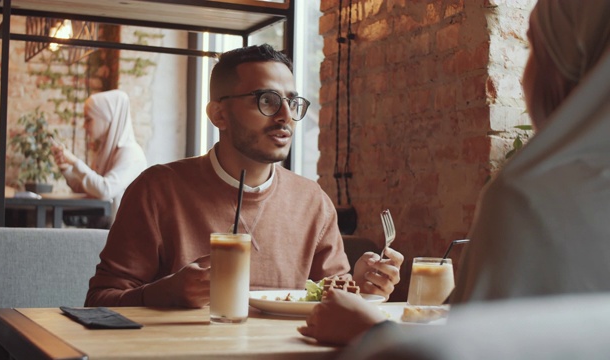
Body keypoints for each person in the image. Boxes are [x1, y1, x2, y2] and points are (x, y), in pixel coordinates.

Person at [298, 0, 610, 347]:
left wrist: (372, 332)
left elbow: (479, 352)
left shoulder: (532, 199)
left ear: (577, 65)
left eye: (534, 47)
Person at [84, 44, 404, 308]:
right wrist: (161, 294)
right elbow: (98, 302)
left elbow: (333, 304)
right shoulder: (156, 190)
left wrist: (364, 290)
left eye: (292, 102)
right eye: (267, 100)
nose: (286, 116)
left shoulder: (313, 202)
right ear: (218, 114)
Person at [52, 89, 147, 228]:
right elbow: (88, 188)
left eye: (88, 119)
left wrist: (74, 161)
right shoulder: (104, 152)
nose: (84, 126)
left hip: (123, 238)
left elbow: (104, 190)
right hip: (103, 231)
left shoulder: (131, 153)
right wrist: (65, 167)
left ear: (106, 118)